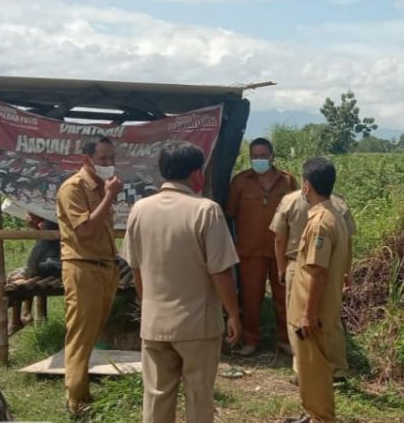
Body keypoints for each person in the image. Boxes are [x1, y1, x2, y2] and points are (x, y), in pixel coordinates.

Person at [125, 142, 242, 423]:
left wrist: (147, 306)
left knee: (156, 396)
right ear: (196, 174)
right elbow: (220, 271)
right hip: (197, 324)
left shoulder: (140, 209)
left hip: (155, 323)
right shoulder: (206, 210)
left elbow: (136, 268)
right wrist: (234, 314)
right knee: (199, 396)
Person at [55, 136, 122, 417]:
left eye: (111, 158)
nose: (109, 163)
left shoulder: (102, 186)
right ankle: (76, 400)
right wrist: (109, 196)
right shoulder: (73, 188)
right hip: (83, 268)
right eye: (103, 158)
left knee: (92, 331)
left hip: (105, 267)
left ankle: (82, 390)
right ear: (87, 159)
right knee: (81, 335)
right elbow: (85, 230)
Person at [286, 157, 351, 423]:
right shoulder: (334, 214)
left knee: (315, 370)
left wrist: (308, 315)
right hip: (321, 308)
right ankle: (312, 414)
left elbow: (317, 271)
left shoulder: (320, 222)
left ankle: (321, 417)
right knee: (313, 369)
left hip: (313, 312)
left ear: (307, 186)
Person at [272, 189, 355, 381]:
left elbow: (279, 238)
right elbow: (348, 242)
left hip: (298, 264)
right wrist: (345, 271)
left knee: (297, 319)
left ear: (307, 184)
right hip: (333, 265)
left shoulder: (290, 200)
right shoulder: (339, 204)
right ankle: (337, 369)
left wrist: (281, 268)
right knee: (331, 317)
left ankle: (303, 370)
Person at [225, 138, 298, 356]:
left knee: (284, 297)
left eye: (263, 156)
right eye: (255, 156)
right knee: (250, 298)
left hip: (281, 251)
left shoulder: (287, 181)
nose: (259, 160)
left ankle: (286, 340)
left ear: (272, 156)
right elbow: (230, 213)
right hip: (249, 251)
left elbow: (296, 213)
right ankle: (250, 340)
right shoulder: (240, 181)